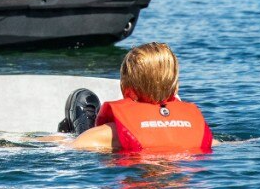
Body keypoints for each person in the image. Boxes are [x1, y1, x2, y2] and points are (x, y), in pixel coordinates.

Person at [62, 42, 213, 154]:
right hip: (181, 172)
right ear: (176, 87)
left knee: (73, 137)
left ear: (126, 88)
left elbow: (73, 147)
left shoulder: (112, 133)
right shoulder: (199, 133)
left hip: (134, 176)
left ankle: (78, 127)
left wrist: (63, 138)